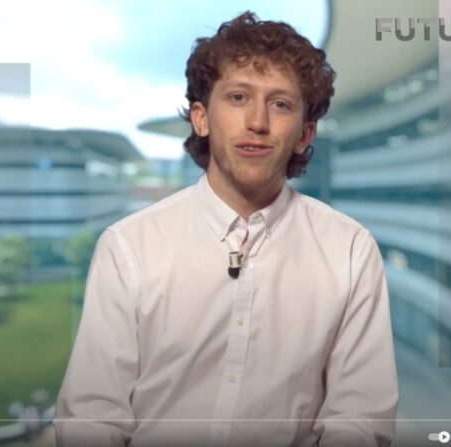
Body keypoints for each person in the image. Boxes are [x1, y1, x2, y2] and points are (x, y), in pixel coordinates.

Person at [55, 11, 398, 447]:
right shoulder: (128, 247)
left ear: (303, 134)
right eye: (238, 97)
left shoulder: (349, 250)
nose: (257, 121)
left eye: (280, 104)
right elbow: (91, 418)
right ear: (201, 118)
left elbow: (360, 421)